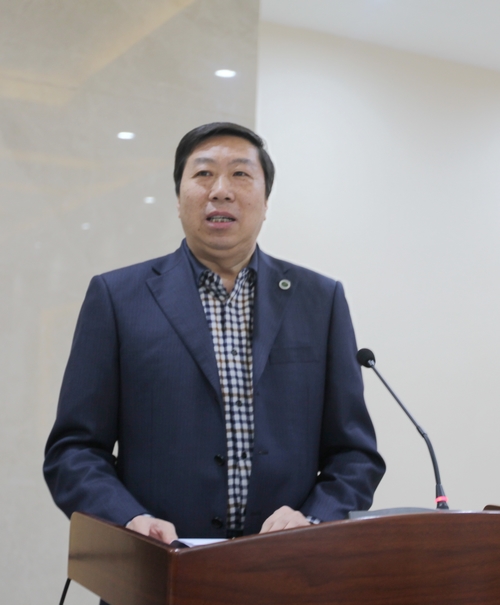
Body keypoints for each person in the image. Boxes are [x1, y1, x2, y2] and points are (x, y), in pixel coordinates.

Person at [44, 122, 385, 546]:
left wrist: (314, 519)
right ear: (178, 198)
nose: (220, 190)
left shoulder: (320, 299)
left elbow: (354, 455)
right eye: (203, 173)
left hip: (287, 566)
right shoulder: (117, 297)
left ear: (266, 201)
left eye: (240, 174)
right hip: (159, 563)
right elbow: (74, 451)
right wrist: (129, 519)